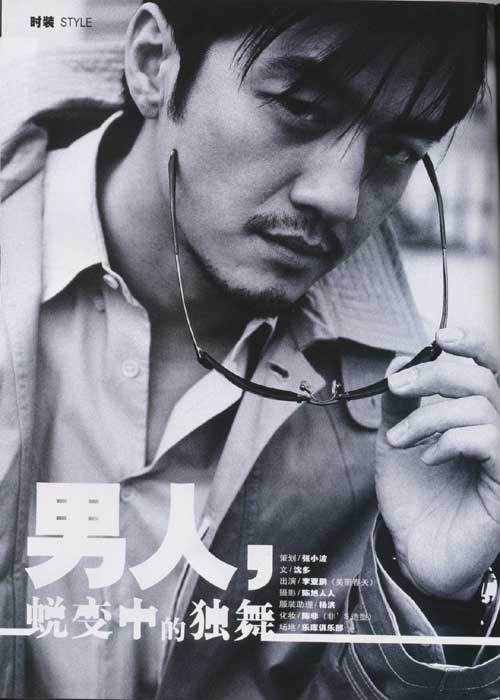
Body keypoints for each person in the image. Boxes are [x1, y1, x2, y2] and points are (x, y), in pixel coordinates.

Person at [1, 1, 499, 698]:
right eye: (300, 107)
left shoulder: (407, 427)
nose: (338, 196)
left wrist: (429, 605)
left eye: (394, 151)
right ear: (154, 63)